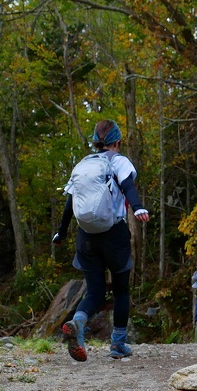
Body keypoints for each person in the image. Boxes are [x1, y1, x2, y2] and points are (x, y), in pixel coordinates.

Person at [52, 119, 149, 361]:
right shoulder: (119, 161)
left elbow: (69, 201)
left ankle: (77, 323)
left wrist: (61, 232)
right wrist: (137, 208)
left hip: (86, 236)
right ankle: (117, 344)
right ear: (117, 141)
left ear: (96, 141)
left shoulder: (84, 164)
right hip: (114, 234)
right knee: (120, 290)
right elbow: (128, 185)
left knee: (94, 292)